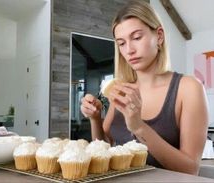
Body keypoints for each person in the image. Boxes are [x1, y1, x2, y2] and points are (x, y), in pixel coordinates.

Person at [80, 0, 208, 175]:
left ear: (159, 36)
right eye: (122, 43)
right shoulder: (121, 88)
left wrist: (139, 127)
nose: (129, 50)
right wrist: (95, 119)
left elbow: (190, 169)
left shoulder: (189, 88)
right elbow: (105, 148)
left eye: (137, 37)